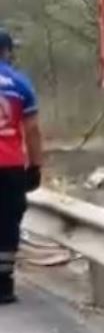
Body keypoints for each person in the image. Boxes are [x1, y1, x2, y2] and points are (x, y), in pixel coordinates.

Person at [0, 28, 43, 305]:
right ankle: (3, 286)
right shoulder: (19, 83)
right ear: (7, 51)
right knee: (6, 223)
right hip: (9, 166)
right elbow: (33, 130)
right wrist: (35, 166)